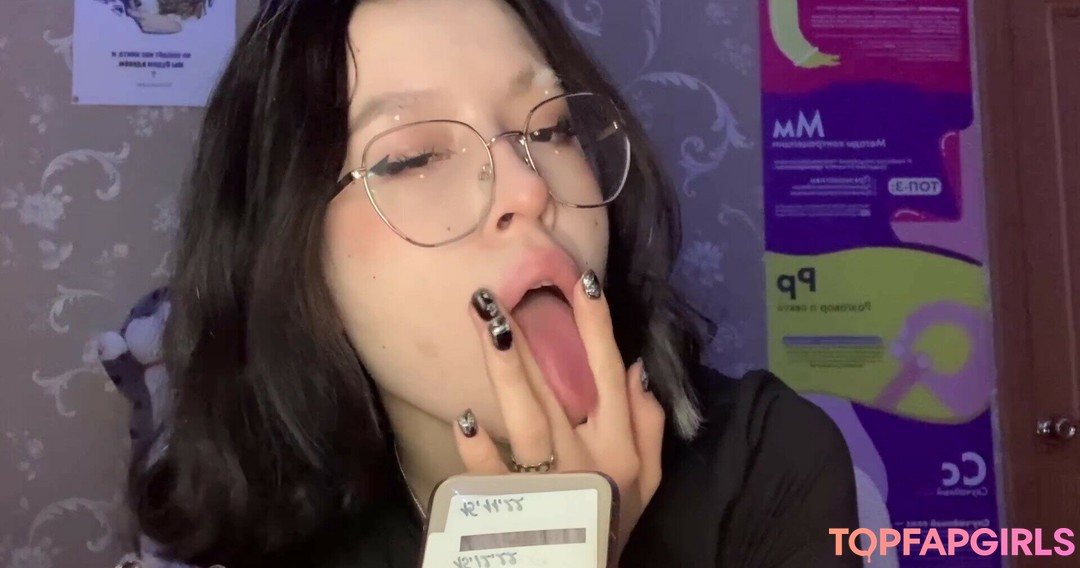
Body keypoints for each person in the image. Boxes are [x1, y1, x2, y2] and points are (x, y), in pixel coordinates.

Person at [126, 0, 860, 566]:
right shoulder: (266, 538)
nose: (528, 187)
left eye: (551, 129)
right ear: (289, 251)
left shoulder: (766, 460)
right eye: (412, 157)